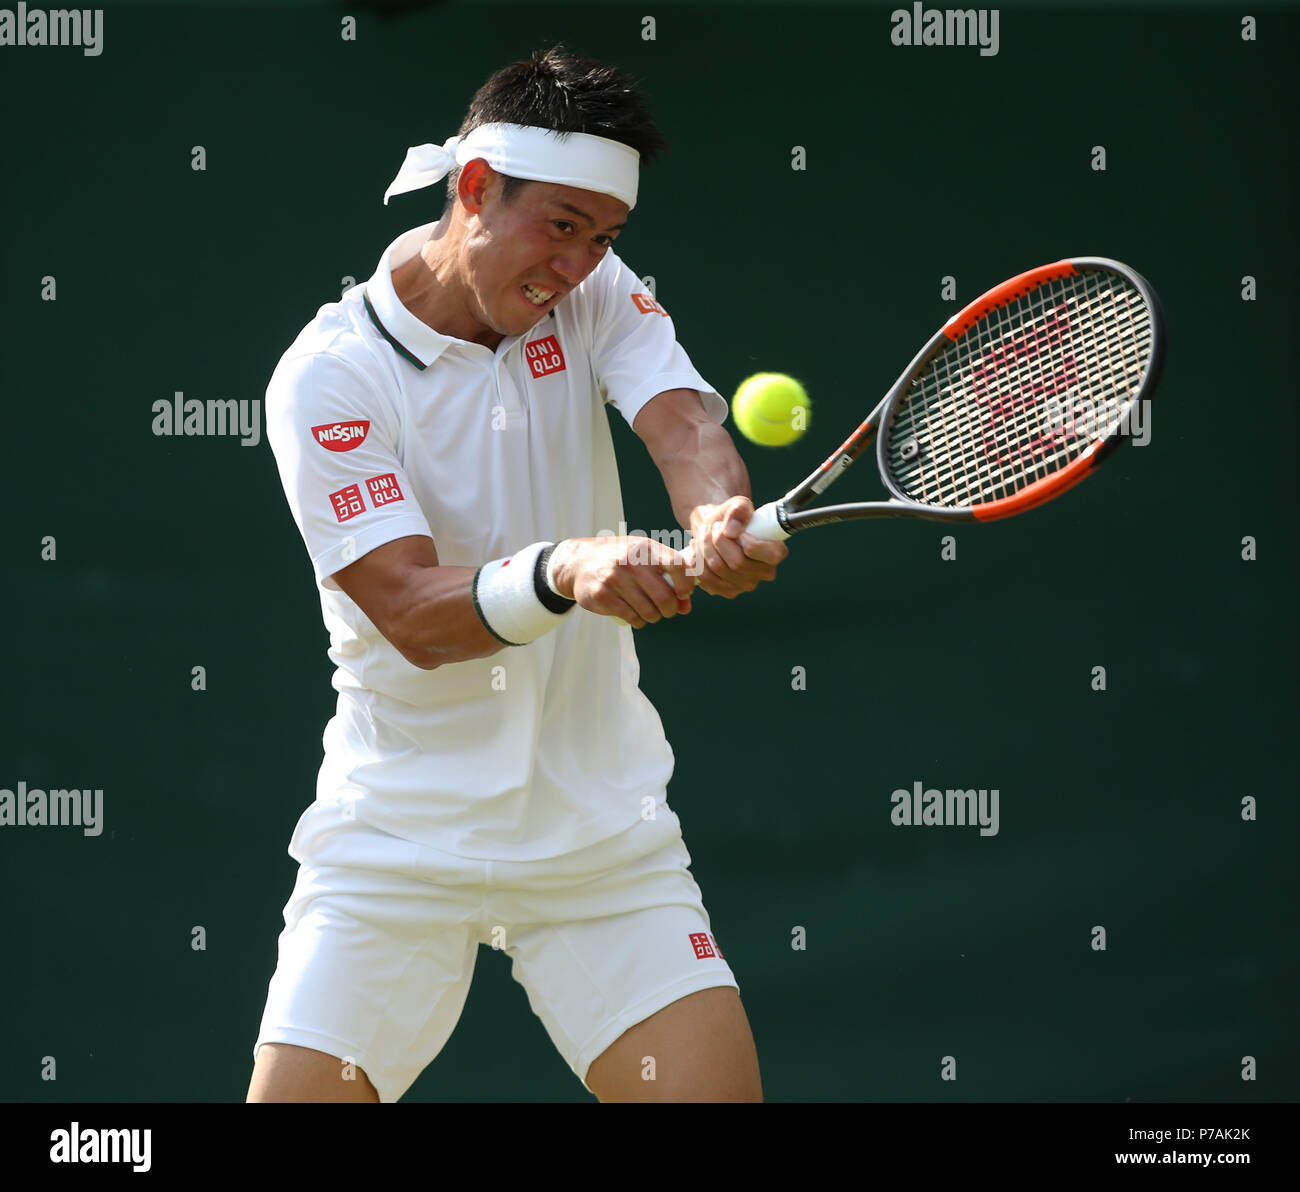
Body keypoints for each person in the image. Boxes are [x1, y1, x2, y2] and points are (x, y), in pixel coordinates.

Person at [247, 46, 788, 1104]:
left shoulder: (593, 296)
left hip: (600, 841)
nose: (576, 267)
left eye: (603, 238)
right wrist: (566, 568)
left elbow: (682, 421)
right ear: (475, 188)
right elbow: (409, 608)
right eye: (560, 226)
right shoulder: (330, 376)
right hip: (394, 842)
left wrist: (715, 510)